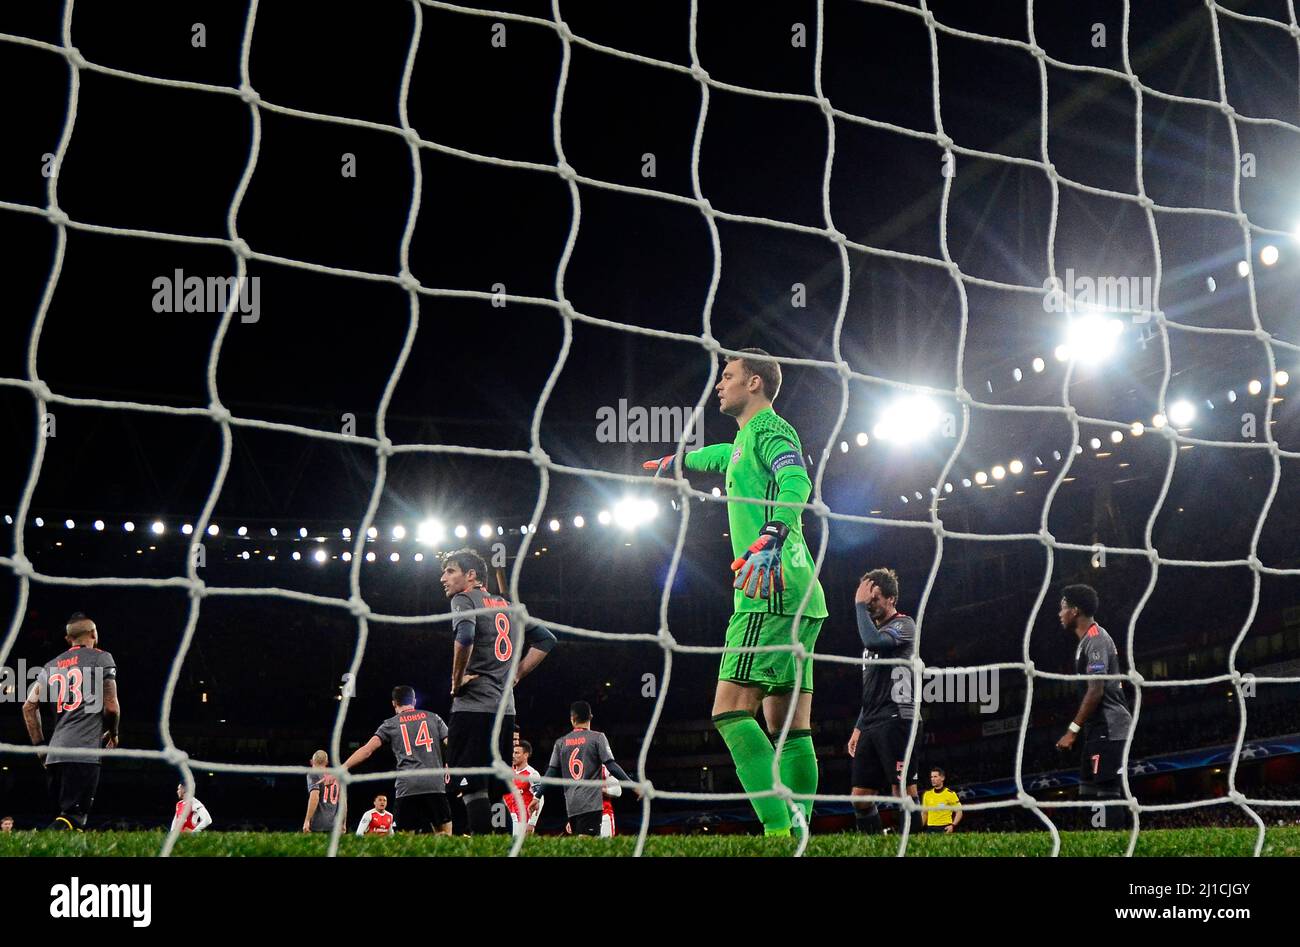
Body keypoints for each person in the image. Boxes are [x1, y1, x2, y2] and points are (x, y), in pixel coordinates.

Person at [643, 348, 826, 837]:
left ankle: (777, 826)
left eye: (728, 376)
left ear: (755, 384)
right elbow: (718, 455)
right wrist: (678, 460)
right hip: (803, 594)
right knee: (790, 726)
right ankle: (799, 828)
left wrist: (773, 533)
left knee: (728, 712)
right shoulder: (746, 440)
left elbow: (796, 479)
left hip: (768, 589)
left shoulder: (771, 429)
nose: (719, 385)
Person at [442, 548, 556, 835]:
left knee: (471, 786)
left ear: (471, 576)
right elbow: (546, 639)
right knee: (491, 787)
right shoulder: (508, 607)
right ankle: (496, 842)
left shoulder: (463, 599)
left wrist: (456, 681)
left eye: (450, 571)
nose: (443, 577)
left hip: (473, 709)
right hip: (505, 712)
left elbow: (465, 636)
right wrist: (516, 673)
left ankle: (482, 845)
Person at [21, 612, 120, 830]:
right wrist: (113, 732)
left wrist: (40, 748)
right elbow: (111, 707)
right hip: (82, 753)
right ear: (94, 633)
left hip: (55, 755)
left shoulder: (50, 666)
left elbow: (28, 707)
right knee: (75, 818)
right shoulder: (101, 657)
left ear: (68, 639)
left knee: (65, 820)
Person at [848, 570, 921, 834]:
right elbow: (872, 690)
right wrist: (859, 726)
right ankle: (874, 847)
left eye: (875, 598)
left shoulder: (905, 625)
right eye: (866, 598)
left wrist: (858, 606)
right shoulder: (873, 636)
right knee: (860, 797)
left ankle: (914, 848)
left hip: (898, 718)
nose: (869, 603)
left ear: (891, 598)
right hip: (871, 722)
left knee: (901, 791)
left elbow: (873, 640)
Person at [1055, 584, 1133, 829]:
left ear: (1075, 611)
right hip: (1095, 727)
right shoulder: (1084, 643)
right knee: (1087, 790)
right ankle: (1101, 842)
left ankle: (1119, 844)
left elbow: (1096, 690)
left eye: (1063, 608)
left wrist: (1072, 730)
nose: (1060, 613)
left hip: (1109, 725)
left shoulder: (1096, 639)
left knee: (1107, 789)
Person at [344, 686, 451, 834]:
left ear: (394, 703)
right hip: (434, 784)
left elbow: (367, 750)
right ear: (414, 701)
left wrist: (342, 767)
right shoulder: (434, 717)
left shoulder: (390, 724)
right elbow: (452, 745)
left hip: (407, 787)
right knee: (444, 835)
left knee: (405, 842)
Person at [529, 702, 637, 836]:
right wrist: (633, 786)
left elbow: (550, 772)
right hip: (591, 804)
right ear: (590, 716)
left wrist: (537, 796)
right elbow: (612, 766)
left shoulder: (561, 742)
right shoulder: (597, 737)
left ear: (572, 718)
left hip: (572, 806)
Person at [504, 740, 542, 837]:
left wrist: (532, 823)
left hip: (522, 822)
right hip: (505, 820)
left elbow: (540, 798)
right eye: (512, 752)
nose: (513, 755)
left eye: (517, 753)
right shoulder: (507, 772)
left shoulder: (532, 774)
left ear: (526, 755)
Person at [302, 750, 345, 833]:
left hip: (318, 825)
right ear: (327, 762)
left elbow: (314, 797)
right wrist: (343, 822)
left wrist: (307, 820)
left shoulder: (313, 773)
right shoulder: (336, 776)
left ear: (311, 761)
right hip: (335, 825)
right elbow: (343, 801)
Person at [921, 767, 961, 834]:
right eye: (931, 777)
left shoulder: (950, 794)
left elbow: (959, 812)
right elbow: (924, 813)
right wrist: (919, 828)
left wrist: (953, 825)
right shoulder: (927, 794)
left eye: (935, 777)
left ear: (942, 778)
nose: (932, 779)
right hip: (930, 829)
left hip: (945, 828)